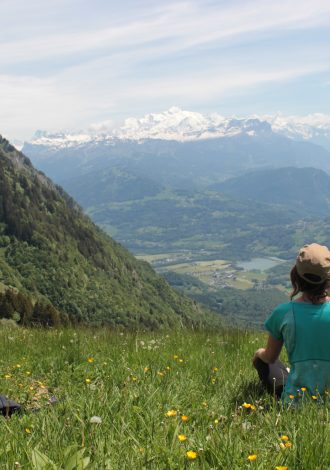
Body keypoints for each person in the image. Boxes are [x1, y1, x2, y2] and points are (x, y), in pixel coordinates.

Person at [253, 243, 330, 401]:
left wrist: (258, 353)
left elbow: (270, 358)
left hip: (296, 402)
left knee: (262, 359)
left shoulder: (283, 313)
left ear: (296, 276)